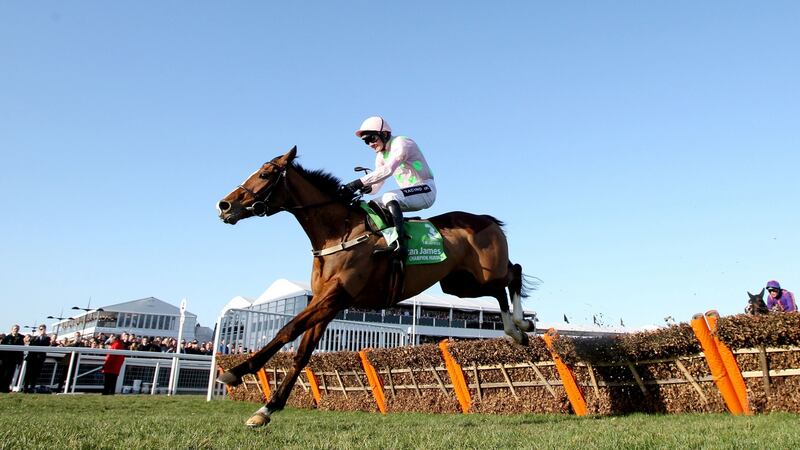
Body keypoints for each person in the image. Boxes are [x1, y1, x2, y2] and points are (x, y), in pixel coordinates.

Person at [339, 116, 436, 255]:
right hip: (409, 193)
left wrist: (356, 183)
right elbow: (378, 184)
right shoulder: (380, 156)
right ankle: (390, 239)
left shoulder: (402, 143)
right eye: (366, 141)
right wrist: (367, 188)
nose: (370, 144)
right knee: (372, 205)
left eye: (371, 138)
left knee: (389, 196)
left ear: (384, 134)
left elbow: (387, 170)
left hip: (426, 189)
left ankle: (401, 244)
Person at [23, 324, 51, 393]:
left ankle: (32, 388)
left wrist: (43, 336)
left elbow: (46, 345)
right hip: (32, 358)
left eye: (44, 329)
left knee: (36, 374)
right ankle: (25, 388)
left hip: (40, 359)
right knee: (28, 374)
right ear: (39, 330)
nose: (42, 331)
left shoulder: (47, 338)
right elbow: (31, 344)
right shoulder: (34, 337)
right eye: (41, 329)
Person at [0, 325, 25, 393]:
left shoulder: (20, 339)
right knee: (3, 374)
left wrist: (20, 361)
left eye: (17, 329)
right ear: (11, 330)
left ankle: (6, 388)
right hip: (5, 360)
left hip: (14, 360)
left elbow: (21, 350)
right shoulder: (7, 338)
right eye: (14, 329)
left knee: (10, 375)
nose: (15, 330)